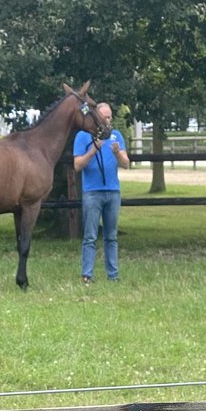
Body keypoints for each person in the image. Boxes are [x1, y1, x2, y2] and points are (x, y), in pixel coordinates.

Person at [72, 102, 130, 283]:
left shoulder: (116, 136)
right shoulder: (83, 136)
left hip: (113, 192)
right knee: (90, 236)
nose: (108, 119)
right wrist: (93, 150)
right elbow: (78, 165)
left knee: (111, 237)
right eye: (105, 116)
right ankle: (87, 275)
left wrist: (117, 154)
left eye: (110, 116)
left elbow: (126, 164)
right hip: (92, 193)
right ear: (97, 117)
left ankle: (113, 275)